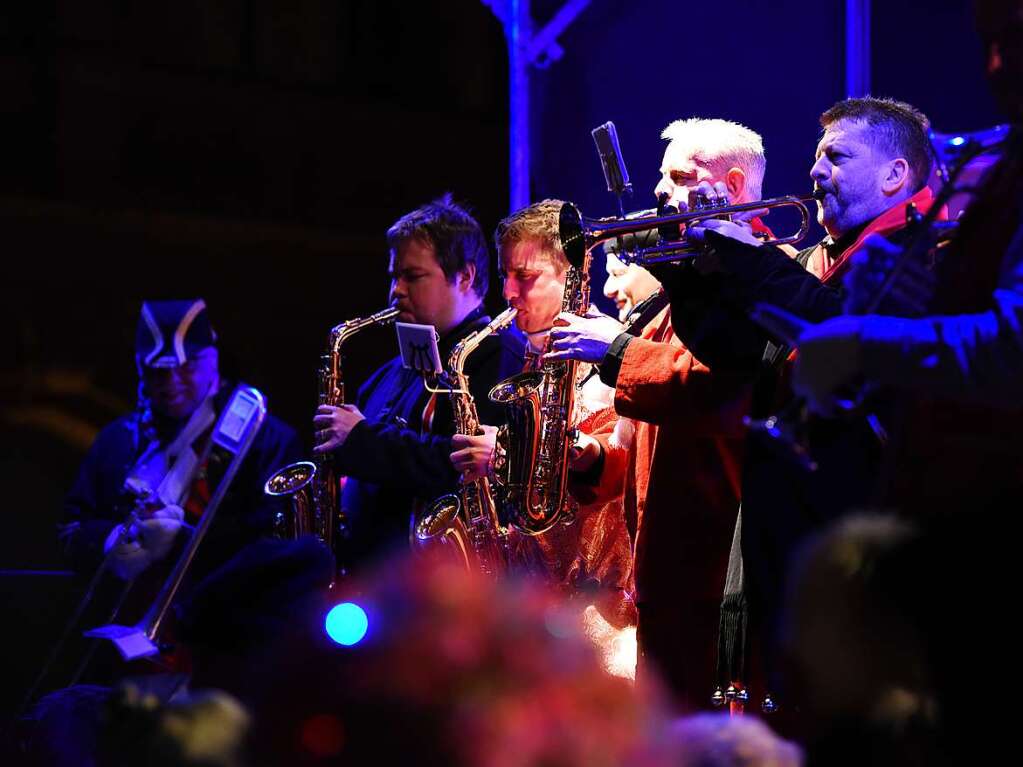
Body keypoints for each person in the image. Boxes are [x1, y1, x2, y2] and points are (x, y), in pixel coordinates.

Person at [662, 97, 939, 705]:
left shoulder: (924, 254)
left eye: (836, 157)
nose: (815, 173)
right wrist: (683, 272)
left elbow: (844, 336)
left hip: (865, 553)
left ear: (895, 175)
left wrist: (752, 257)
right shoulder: (821, 259)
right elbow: (737, 352)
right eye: (816, 158)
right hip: (794, 545)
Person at [542, 118, 767, 709]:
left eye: (681, 179)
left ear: (734, 185)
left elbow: (715, 391)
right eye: (660, 180)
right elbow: (635, 448)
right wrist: (589, 457)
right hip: (663, 572)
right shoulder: (678, 289)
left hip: (717, 567)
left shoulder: (763, 280)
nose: (661, 194)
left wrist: (615, 351)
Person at [450, 199, 636, 639]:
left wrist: (510, 455)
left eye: (525, 277)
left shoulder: (609, 364)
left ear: (569, 277)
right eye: (505, 276)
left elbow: (617, 479)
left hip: (600, 626)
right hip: (541, 618)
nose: (509, 293)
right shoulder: (532, 362)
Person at [314, 194, 524, 570]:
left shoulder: (500, 356)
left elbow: (462, 464)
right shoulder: (388, 373)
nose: (396, 290)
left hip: (440, 591)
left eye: (412, 276)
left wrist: (363, 440)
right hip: (372, 584)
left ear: (465, 276)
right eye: (393, 276)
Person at [60, 298, 302, 584]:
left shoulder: (265, 438)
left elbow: (280, 542)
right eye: (157, 370)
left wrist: (185, 539)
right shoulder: (116, 439)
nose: (171, 381)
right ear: (139, 366)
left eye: (187, 365)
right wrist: (108, 541)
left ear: (214, 359)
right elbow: (69, 530)